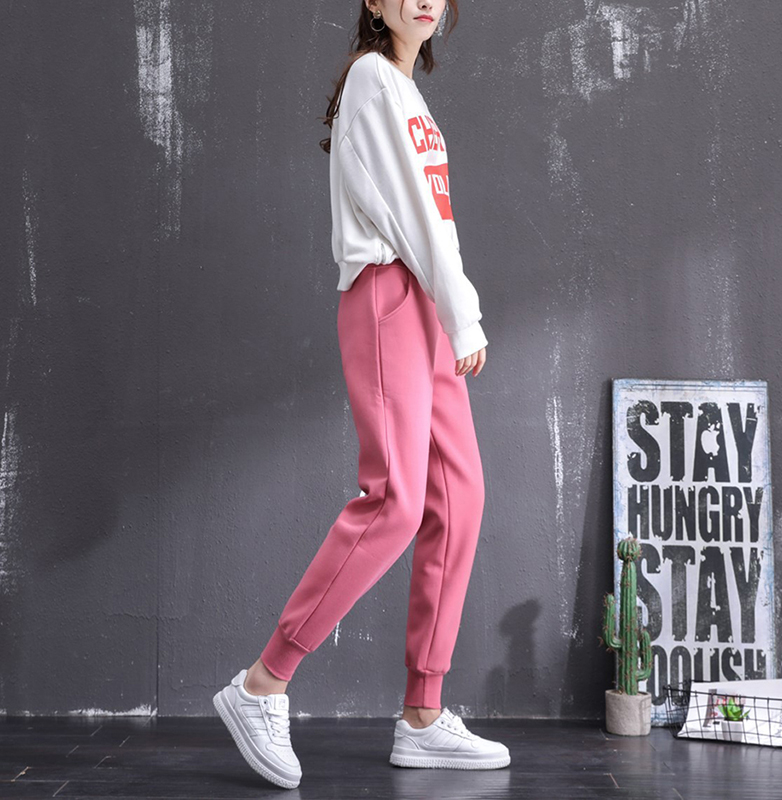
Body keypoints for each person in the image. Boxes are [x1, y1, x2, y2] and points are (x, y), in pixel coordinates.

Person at [213, 0, 510, 788]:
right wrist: (465, 314)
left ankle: (423, 716)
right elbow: (413, 218)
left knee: (461, 498)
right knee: (397, 502)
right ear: (374, 1)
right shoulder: (374, 78)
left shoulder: (409, 94)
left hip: (426, 301)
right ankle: (262, 684)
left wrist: (451, 311)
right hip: (388, 294)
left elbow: (437, 222)